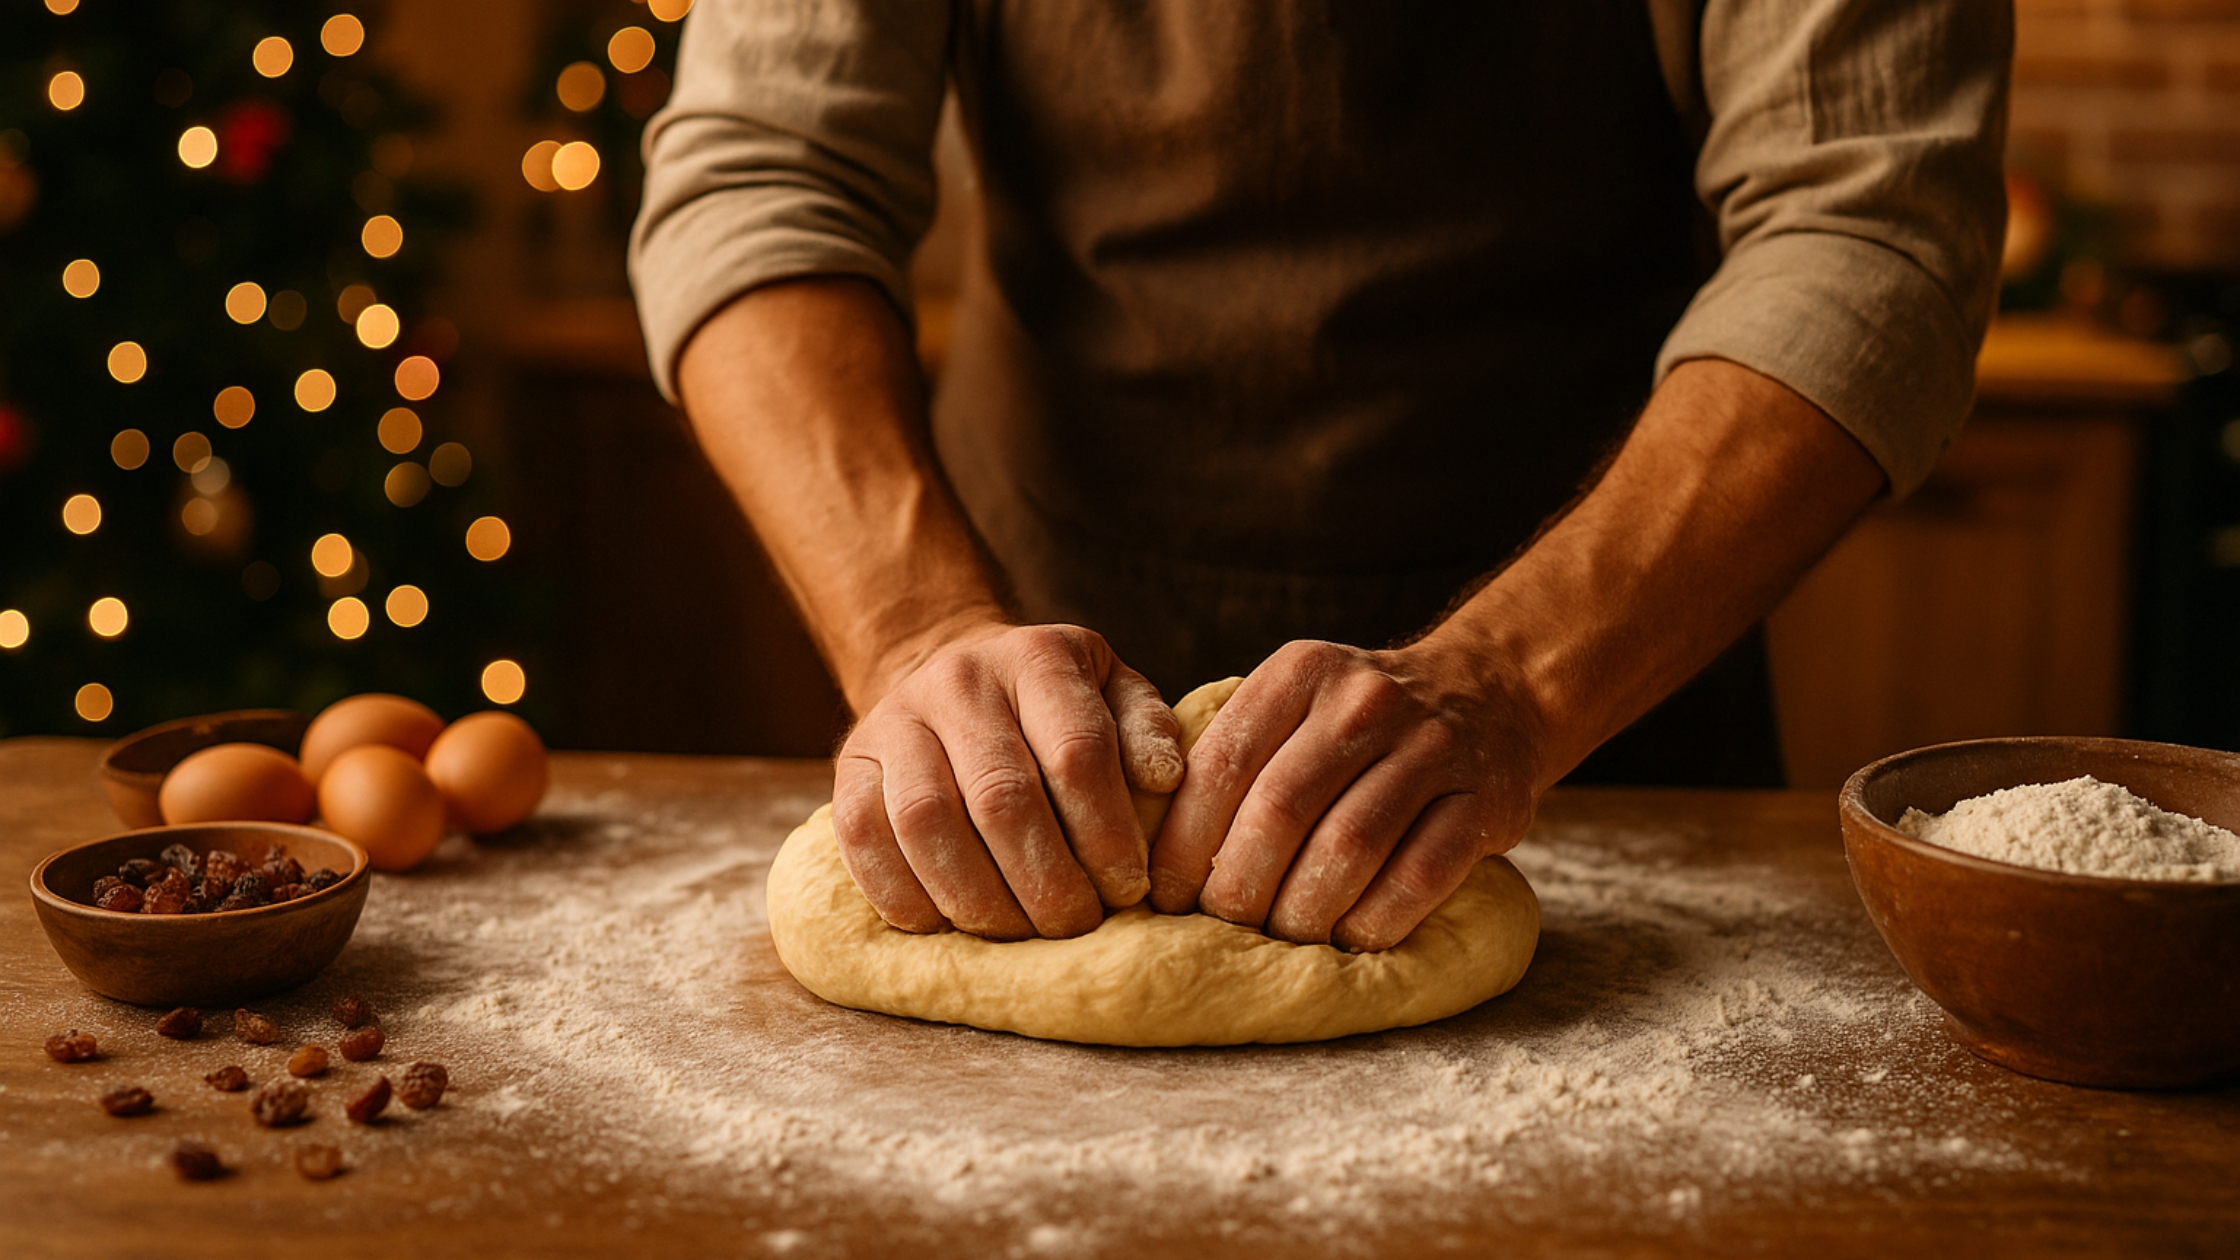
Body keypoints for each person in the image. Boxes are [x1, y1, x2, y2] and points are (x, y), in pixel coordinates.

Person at [630, 1, 2011, 952]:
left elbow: (1870, 221)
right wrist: (916, 629)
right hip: (1027, 695)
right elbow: (762, 170)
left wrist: (1518, 688)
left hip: (1607, 691)